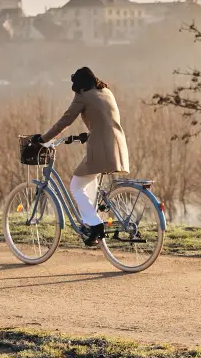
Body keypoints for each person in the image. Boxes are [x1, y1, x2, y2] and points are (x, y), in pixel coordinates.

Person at [32, 67, 129, 247]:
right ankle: (91, 223)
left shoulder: (83, 96)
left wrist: (42, 139)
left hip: (100, 147)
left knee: (76, 185)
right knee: (87, 182)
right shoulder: (106, 91)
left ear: (80, 85)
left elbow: (65, 120)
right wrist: (88, 133)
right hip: (118, 144)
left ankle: (95, 225)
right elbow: (102, 119)